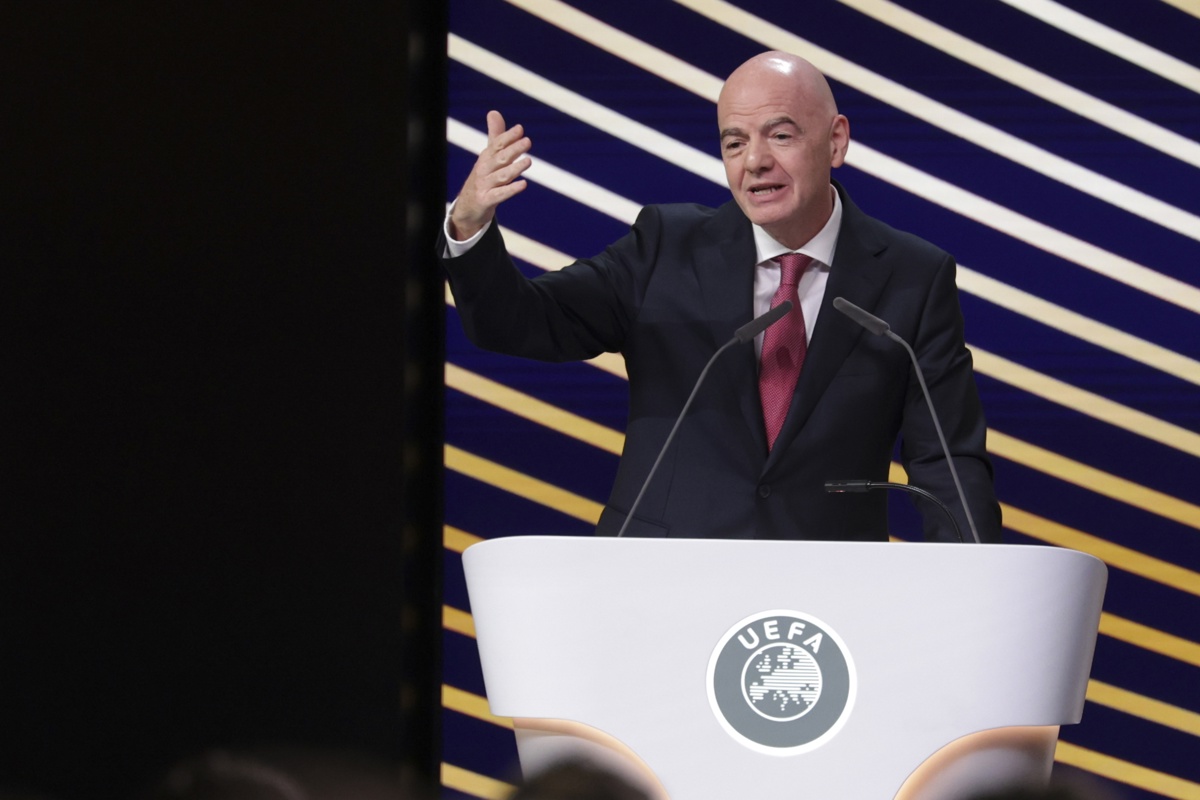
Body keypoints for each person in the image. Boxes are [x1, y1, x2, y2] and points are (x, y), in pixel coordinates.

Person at [440, 51, 1002, 543]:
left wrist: (977, 592)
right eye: (735, 142)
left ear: (835, 141)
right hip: (662, 580)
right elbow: (519, 323)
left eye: (780, 135)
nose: (754, 160)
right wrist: (469, 228)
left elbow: (948, 464)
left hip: (824, 598)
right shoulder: (665, 246)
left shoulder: (912, 277)